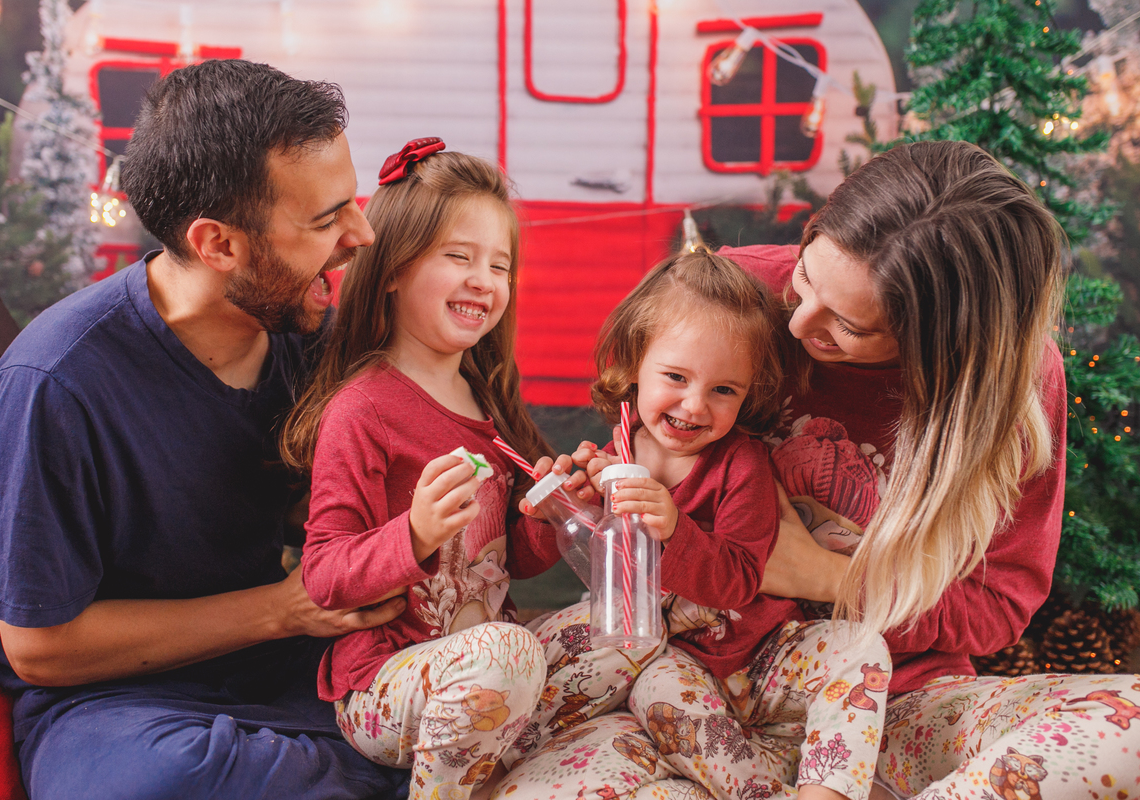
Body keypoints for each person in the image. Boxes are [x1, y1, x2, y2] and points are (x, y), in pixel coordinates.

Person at [497, 141, 1140, 799]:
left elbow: (995, 606)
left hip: (888, 703)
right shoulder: (730, 300)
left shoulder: (1012, 385)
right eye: (805, 276)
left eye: (850, 325)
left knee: (1130, 728)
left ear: (937, 345)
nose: (799, 324)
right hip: (689, 691)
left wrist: (826, 576)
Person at [0, 60, 410, 800]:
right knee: (169, 779)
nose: (361, 234)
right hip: (118, 707)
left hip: (291, 671)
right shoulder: (53, 384)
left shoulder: (313, 338)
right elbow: (41, 649)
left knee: (455, 709)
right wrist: (281, 610)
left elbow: (339, 509)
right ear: (218, 244)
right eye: (325, 219)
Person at [279, 140, 657, 800]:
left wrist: (553, 514)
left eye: (499, 265)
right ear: (393, 269)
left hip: (496, 673)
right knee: (507, 651)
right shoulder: (362, 408)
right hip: (387, 684)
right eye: (459, 257)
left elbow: (511, 560)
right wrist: (416, 533)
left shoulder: (488, 405)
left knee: (635, 627)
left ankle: (515, 773)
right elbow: (325, 575)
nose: (484, 279)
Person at [497, 249, 892, 800]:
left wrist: (674, 527)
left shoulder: (742, 464)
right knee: (654, 690)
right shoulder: (612, 459)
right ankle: (761, 791)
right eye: (676, 377)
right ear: (634, 363)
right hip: (679, 669)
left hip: (767, 654)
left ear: (749, 392)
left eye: (723, 390)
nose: (694, 405)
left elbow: (740, 579)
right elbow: (539, 563)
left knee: (860, 645)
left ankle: (829, 789)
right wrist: (557, 512)